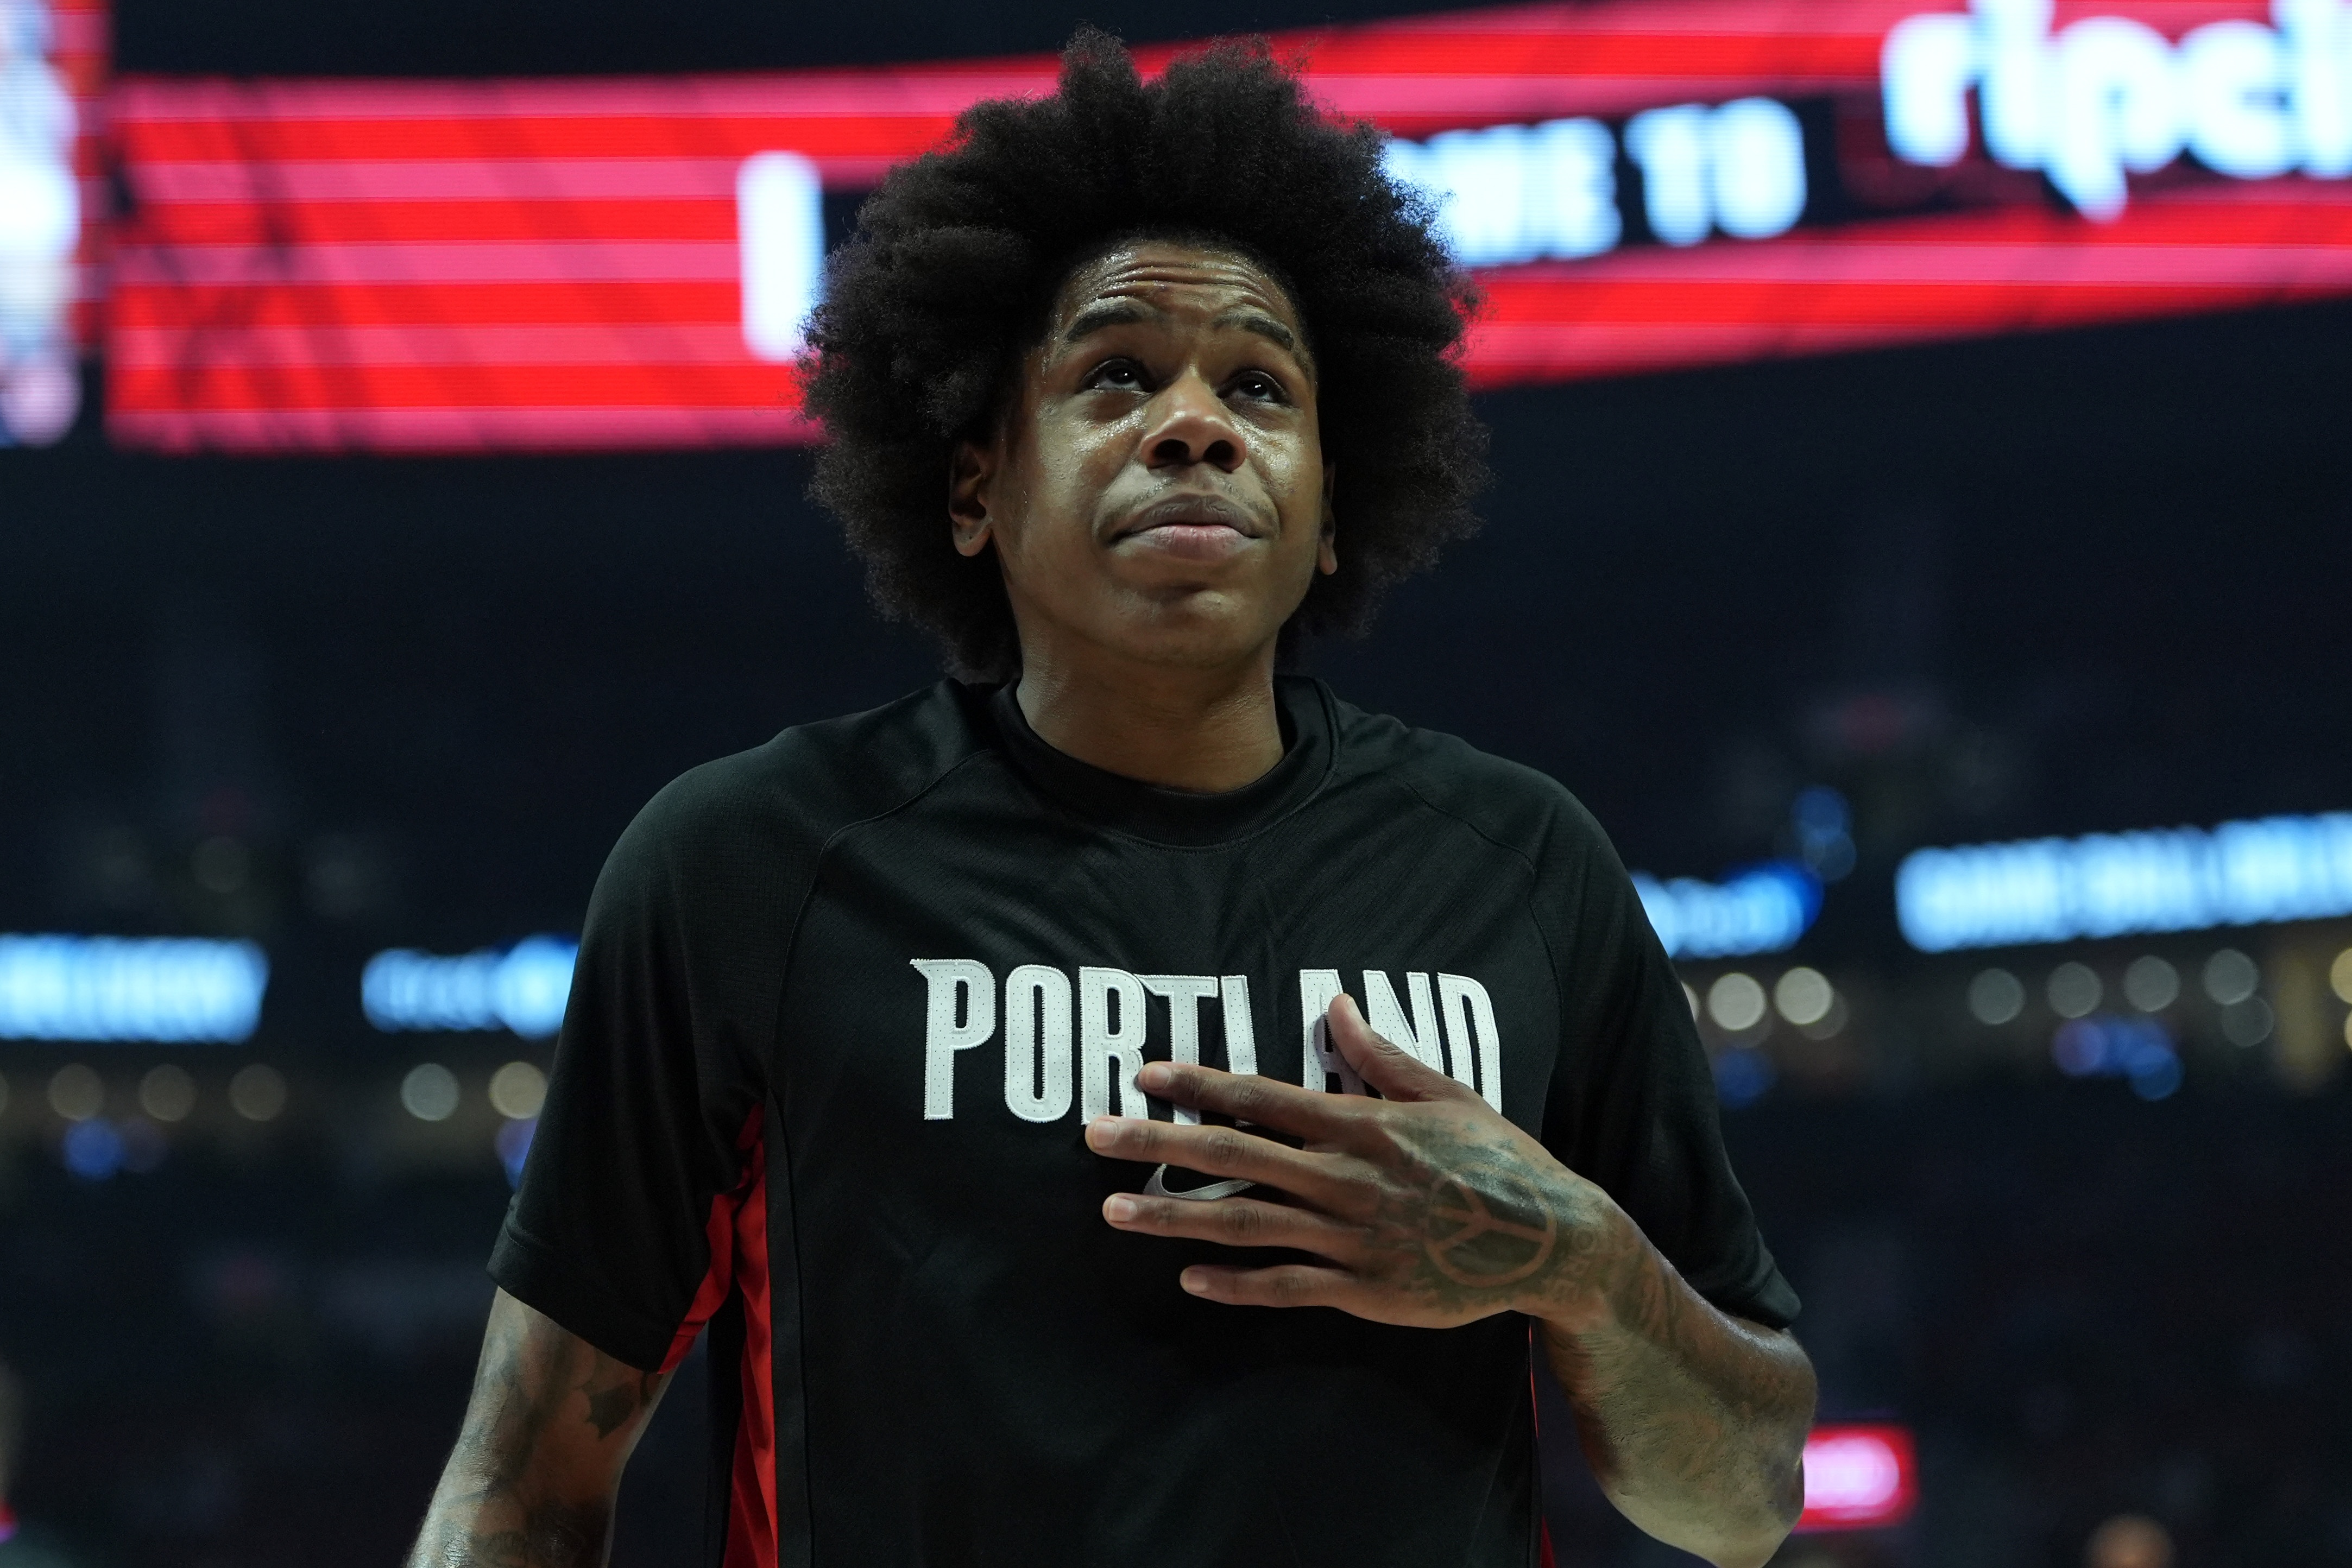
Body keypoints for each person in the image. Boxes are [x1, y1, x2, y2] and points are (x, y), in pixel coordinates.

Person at [408, 31, 1815, 1568]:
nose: (1195, 424)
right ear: (972, 487)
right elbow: (525, 1483)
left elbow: (1744, 1506)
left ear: (1329, 511)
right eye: (1115, 375)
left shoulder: (1523, 867)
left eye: (1260, 387)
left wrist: (1580, 1264)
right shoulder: (750, 865)